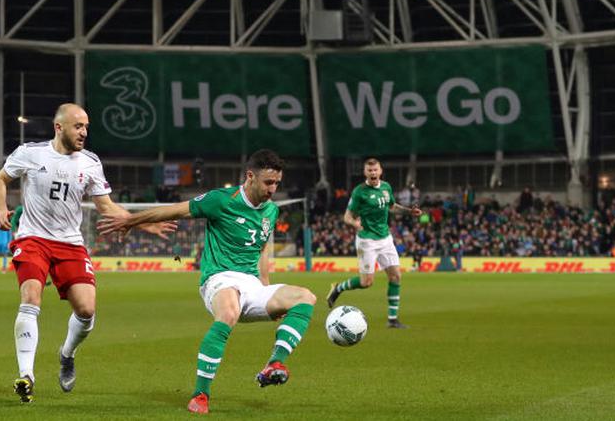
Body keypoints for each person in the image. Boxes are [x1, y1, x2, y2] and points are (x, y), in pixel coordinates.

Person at [97, 149, 317, 415]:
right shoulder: (221, 200)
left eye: (277, 183)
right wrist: (132, 220)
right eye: (268, 182)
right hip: (219, 278)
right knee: (229, 312)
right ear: (250, 176)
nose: (273, 189)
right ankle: (201, 394)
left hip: (252, 285)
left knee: (306, 297)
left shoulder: (270, 210)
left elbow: (262, 251)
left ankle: (275, 363)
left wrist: (266, 289)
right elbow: (176, 211)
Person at [0, 103, 175, 404]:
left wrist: (142, 223)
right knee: (31, 296)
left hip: (70, 244)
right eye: (78, 126)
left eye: (86, 127)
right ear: (59, 127)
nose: (84, 133)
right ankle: (27, 375)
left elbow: (105, 206)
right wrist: (0, 209)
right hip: (33, 238)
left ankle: (67, 353)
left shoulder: (90, 162)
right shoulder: (30, 153)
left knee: (87, 311)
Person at [326, 158, 422, 329]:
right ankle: (338, 288)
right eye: (369, 170)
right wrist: (355, 223)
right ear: (365, 173)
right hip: (367, 240)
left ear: (380, 171)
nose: (373, 173)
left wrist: (409, 212)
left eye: (375, 170)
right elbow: (347, 216)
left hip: (385, 238)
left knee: (396, 276)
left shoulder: (386, 187)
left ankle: (392, 320)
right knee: (366, 283)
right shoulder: (359, 192)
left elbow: (391, 206)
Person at [0, 206, 17, 272]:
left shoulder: (7, 224)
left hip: (5, 242)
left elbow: (10, 234)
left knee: (5, 255)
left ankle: (4, 268)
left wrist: (9, 242)